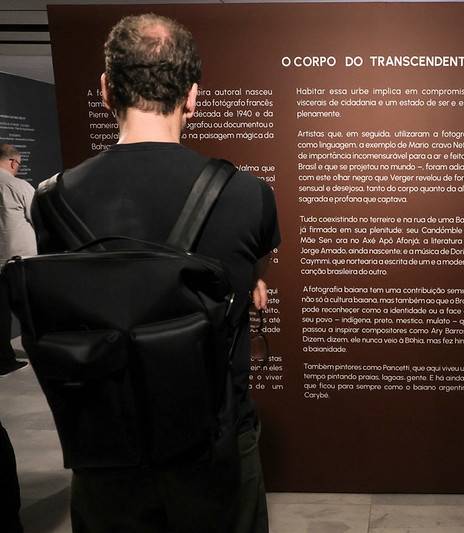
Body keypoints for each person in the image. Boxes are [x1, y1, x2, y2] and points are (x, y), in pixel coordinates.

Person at [32, 14, 280, 532]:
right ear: (193, 96)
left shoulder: (52, 200)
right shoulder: (249, 194)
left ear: (106, 90)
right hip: (215, 440)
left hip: (107, 442)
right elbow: (255, 274)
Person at [0, 144, 34, 376]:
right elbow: (37, 216)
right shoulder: (18, 186)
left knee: (1, 314)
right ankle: (41, 351)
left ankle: (3, 359)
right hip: (20, 260)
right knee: (31, 310)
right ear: (13, 162)